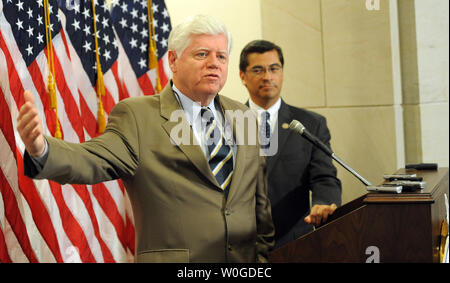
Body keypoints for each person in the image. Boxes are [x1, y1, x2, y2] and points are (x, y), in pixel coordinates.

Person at [17, 15, 274, 263]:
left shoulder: (245, 117)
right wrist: (42, 149)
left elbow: (259, 204)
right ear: (173, 60)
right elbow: (92, 159)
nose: (214, 63)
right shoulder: (138, 116)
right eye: (202, 54)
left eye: (221, 56)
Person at [239, 40, 342, 249]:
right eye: (258, 70)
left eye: (274, 69)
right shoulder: (225, 122)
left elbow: (324, 176)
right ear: (243, 76)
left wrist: (323, 202)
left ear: (282, 72)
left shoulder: (310, 124)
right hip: (240, 244)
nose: (267, 77)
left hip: (294, 242)